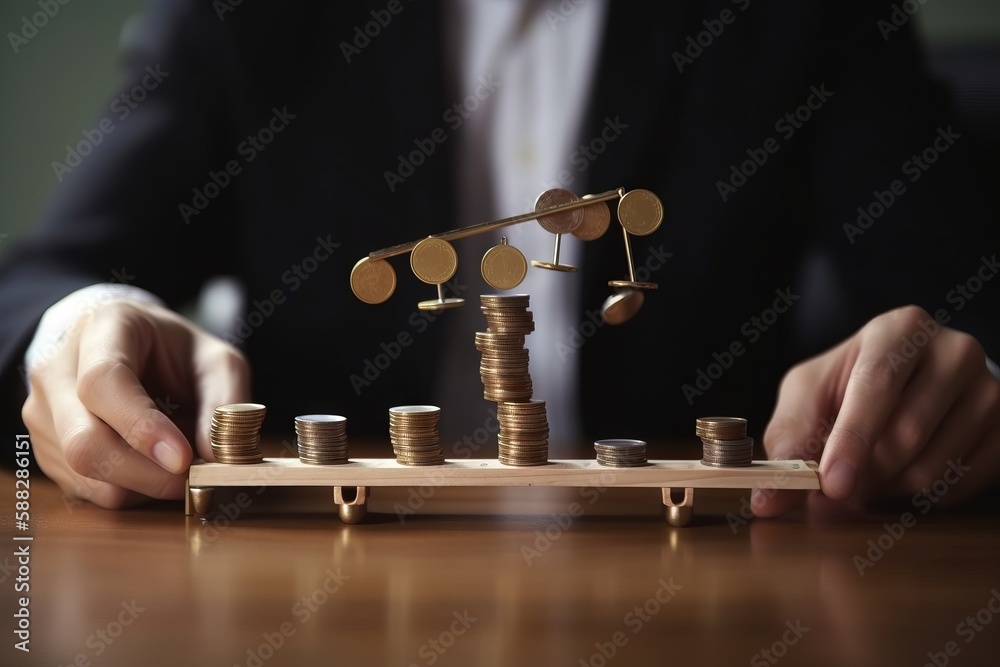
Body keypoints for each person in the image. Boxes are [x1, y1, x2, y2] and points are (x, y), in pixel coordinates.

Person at [0, 0, 997, 515]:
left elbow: (967, 310)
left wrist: (973, 373)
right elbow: (42, 280)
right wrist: (70, 328)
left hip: (708, 597)